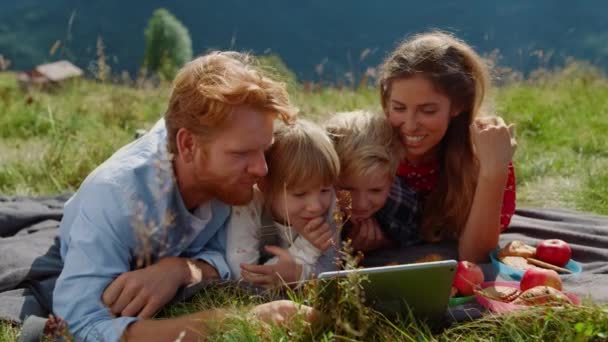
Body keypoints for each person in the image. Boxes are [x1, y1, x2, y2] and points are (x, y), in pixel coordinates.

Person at [52, 51, 317, 341]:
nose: (261, 169)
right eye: (241, 154)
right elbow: (78, 326)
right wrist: (235, 321)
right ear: (188, 144)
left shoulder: (228, 179)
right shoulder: (116, 197)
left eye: (264, 150)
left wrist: (182, 270)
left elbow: (225, 258)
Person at [362, 31, 517, 263]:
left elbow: (476, 256)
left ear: (457, 106)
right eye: (399, 108)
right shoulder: (368, 148)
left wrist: (493, 171)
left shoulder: (482, 155)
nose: (410, 126)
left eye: (428, 110)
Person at [226, 119, 340, 288]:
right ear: (265, 185)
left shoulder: (330, 207)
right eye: (300, 194)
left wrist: (297, 274)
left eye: (325, 190)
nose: (316, 206)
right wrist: (305, 250)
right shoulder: (248, 205)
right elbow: (244, 277)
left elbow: (330, 271)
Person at [324, 110, 409, 253]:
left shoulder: (400, 205)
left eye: (376, 190)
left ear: (392, 180)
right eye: (347, 188)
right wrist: (347, 251)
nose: (361, 204)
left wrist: (386, 245)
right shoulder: (316, 207)